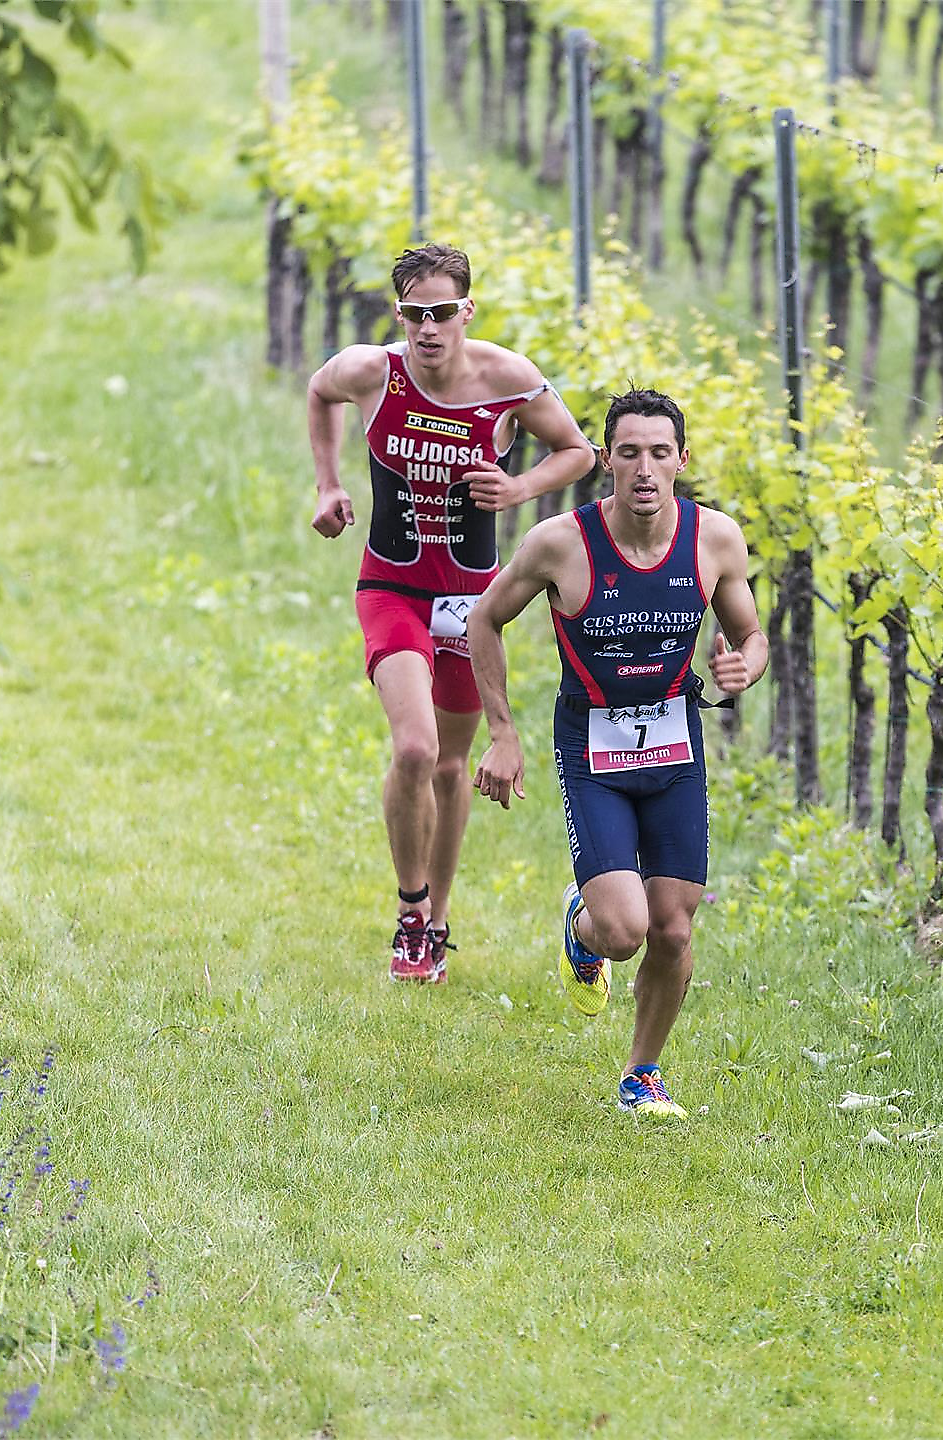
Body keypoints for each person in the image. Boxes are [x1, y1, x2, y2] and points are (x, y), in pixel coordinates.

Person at [467, 388, 767, 1118]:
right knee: (625, 931)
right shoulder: (558, 545)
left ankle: (642, 1076)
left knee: (672, 927)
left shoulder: (715, 539)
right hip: (593, 746)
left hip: (674, 745)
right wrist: (504, 734)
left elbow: (752, 637)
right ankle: (582, 923)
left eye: (659, 453)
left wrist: (744, 667)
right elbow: (485, 618)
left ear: (682, 461)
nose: (644, 469)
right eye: (628, 452)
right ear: (605, 461)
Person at [307, 243, 595, 983]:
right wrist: (328, 485)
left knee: (451, 766)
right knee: (414, 748)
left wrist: (520, 487)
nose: (427, 328)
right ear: (397, 312)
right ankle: (409, 913)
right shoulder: (375, 371)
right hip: (392, 587)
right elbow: (318, 391)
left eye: (441, 312)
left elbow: (579, 453)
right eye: (413, 314)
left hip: (472, 602)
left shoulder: (509, 379)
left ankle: (438, 924)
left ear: (467, 311)